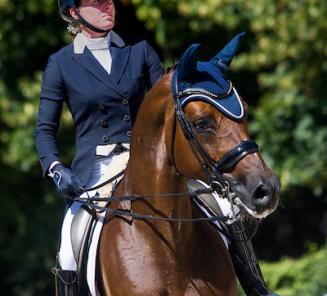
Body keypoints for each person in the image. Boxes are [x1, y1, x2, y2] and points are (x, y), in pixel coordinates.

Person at [34, 0, 164, 295]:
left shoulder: (139, 50)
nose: (108, 5)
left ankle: (254, 283)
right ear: (73, 12)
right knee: (69, 247)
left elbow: (167, 111)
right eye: (97, 1)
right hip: (96, 174)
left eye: (110, 0)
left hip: (145, 161)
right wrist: (56, 169)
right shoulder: (61, 63)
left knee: (220, 207)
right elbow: (44, 131)